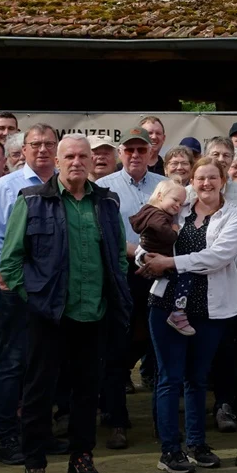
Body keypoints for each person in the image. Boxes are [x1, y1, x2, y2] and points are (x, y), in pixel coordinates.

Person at [0, 134, 130, 473]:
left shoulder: (106, 202)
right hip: (49, 315)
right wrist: (36, 298)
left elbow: (118, 255)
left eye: (82, 156)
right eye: (68, 156)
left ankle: (81, 460)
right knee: (40, 391)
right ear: (56, 162)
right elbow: (10, 262)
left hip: (93, 312)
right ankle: (35, 464)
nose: (76, 162)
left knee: (87, 391)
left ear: (92, 161)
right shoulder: (32, 200)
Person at [135, 160, 237, 473]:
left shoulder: (233, 216)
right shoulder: (178, 207)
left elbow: (219, 257)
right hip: (165, 304)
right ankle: (170, 450)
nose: (206, 183)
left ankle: (197, 444)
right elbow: (146, 238)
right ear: (192, 181)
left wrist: (169, 262)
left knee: (197, 379)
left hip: (209, 309)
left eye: (212, 177)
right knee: (169, 378)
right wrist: (146, 257)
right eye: (200, 178)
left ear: (223, 180)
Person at [0, 124, 58, 464]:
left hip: (55, 288)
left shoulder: (65, 183)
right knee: (12, 362)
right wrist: (2, 276)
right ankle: (6, 436)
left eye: (48, 144)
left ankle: (37, 432)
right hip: (15, 288)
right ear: (22, 150)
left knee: (44, 363)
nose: (42, 150)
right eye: (35, 144)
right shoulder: (6, 186)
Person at [96, 126, 165, 451]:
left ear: (152, 153)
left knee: (161, 348)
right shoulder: (104, 187)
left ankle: (162, 422)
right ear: (120, 153)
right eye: (130, 150)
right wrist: (137, 252)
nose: (136, 155)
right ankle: (116, 420)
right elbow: (105, 233)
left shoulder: (165, 186)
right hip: (122, 276)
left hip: (161, 275)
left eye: (142, 150)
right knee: (116, 350)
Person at [131, 183, 197, 334]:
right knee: (184, 277)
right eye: (174, 200)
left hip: (152, 255)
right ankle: (178, 312)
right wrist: (174, 232)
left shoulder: (147, 211)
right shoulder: (158, 215)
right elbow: (163, 232)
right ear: (160, 196)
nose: (177, 206)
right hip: (160, 255)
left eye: (181, 204)